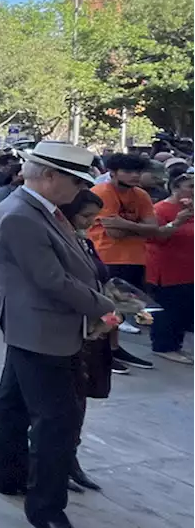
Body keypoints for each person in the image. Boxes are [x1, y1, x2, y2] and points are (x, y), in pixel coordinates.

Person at [0, 141, 118, 528]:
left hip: (34, 323)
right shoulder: (22, 215)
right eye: (76, 181)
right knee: (56, 420)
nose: (80, 190)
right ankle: (47, 510)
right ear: (48, 175)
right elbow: (51, 281)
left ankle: (8, 476)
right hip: (42, 325)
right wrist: (107, 305)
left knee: (13, 403)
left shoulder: (34, 208)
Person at [88, 153, 168, 361]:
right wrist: (141, 228)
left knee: (121, 309)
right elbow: (114, 233)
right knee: (107, 308)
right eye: (129, 172)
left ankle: (113, 349)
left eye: (138, 172)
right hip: (106, 257)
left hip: (135, 259)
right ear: (113, 173)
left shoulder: (141, 195)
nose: (135, 176)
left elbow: (153, 229)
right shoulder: (102, 192)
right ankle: (103, 352)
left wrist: (126, 225)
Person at [59, 189, 113, 494]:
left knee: (80, 401)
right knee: (63, 403)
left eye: (95, 217)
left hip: (96, 330)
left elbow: (99, 280)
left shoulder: (86, 242)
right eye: (85, 217)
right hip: (71, 330)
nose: (91, 223)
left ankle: (71, 459)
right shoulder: (61, 244)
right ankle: (55, 461)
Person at [146, 172, 195, 363]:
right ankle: (164, 346)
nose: (194, 191)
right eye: (190, 186)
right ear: (175, 188)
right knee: (169, 310)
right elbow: (155, 237)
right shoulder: (161, 209)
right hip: (168, 269)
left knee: (184, 309)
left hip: (189, 269)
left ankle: (177, 344)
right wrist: (177, 222)